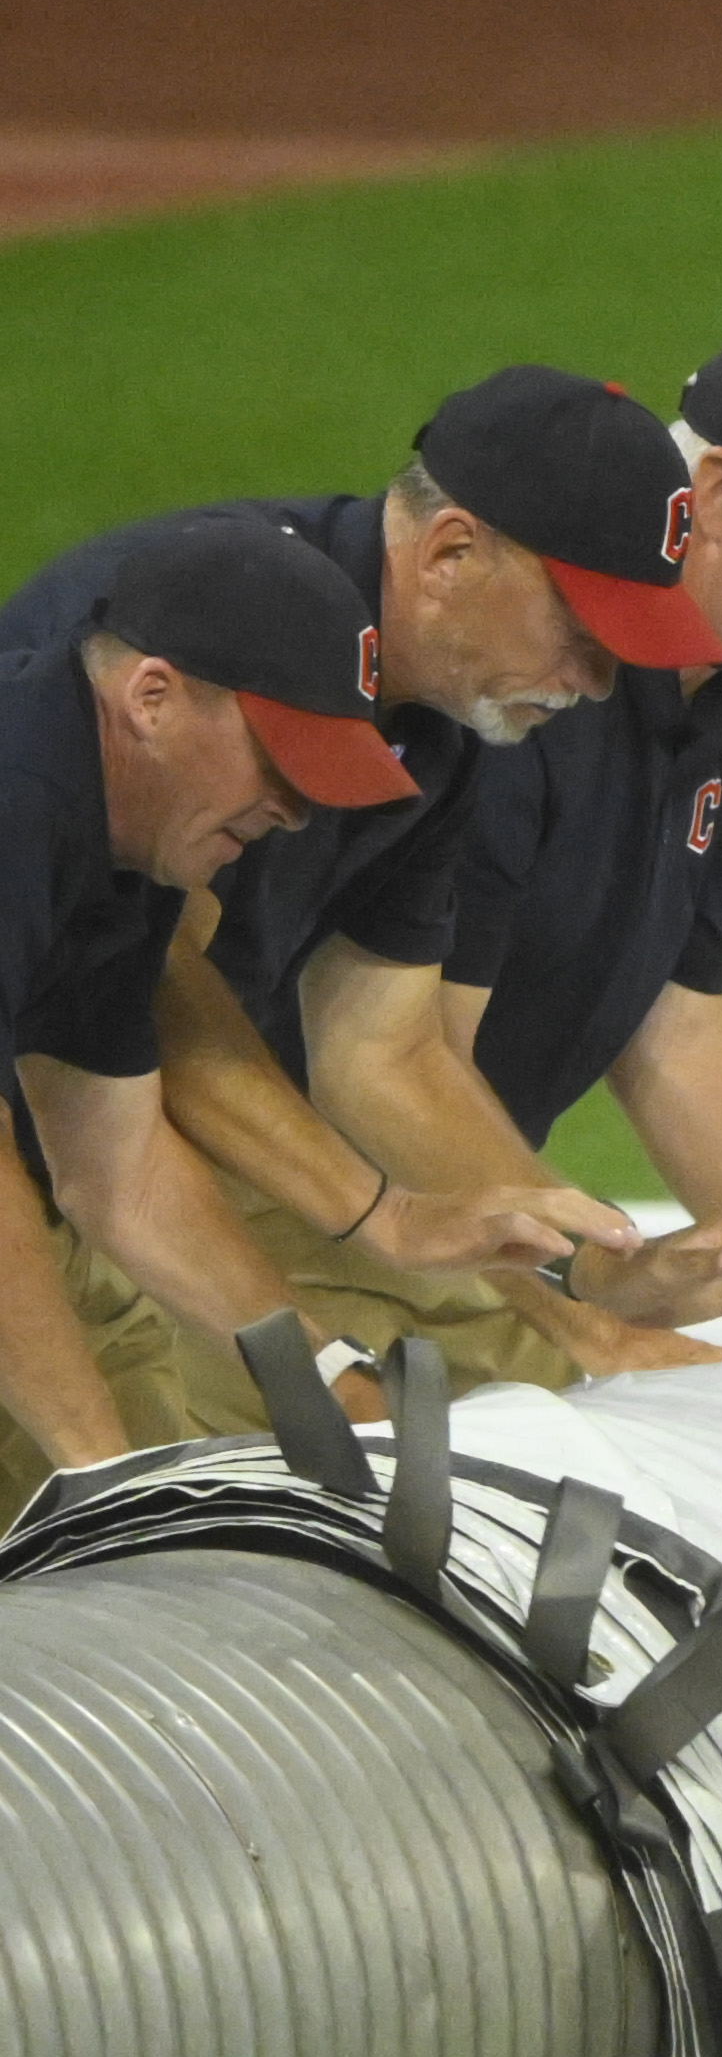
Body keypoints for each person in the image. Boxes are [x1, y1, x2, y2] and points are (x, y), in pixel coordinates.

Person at [0, 368, 722, 1435]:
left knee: (144, 1529)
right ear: (451, 553)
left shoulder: (432, 725)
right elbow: (172, 1000)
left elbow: (154, 1137)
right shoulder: (166, 666)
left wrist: (518, 1287)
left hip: (68, 1197)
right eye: (582, 621)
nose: (602, 680)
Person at [225, 315, 722, 1395]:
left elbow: (679, 1028)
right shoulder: (517, 689)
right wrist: (582, 1306)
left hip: (479, 1235)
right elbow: (397, 1063)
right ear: (718, 493)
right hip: (324, 1214)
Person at [0, 515, 433, 1500]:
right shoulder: (15, 790)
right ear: (152, 697)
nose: (297, 810)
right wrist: (97, 1477)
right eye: (284, 762)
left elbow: (121, 1173)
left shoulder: (124, 840)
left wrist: (328, 1381)